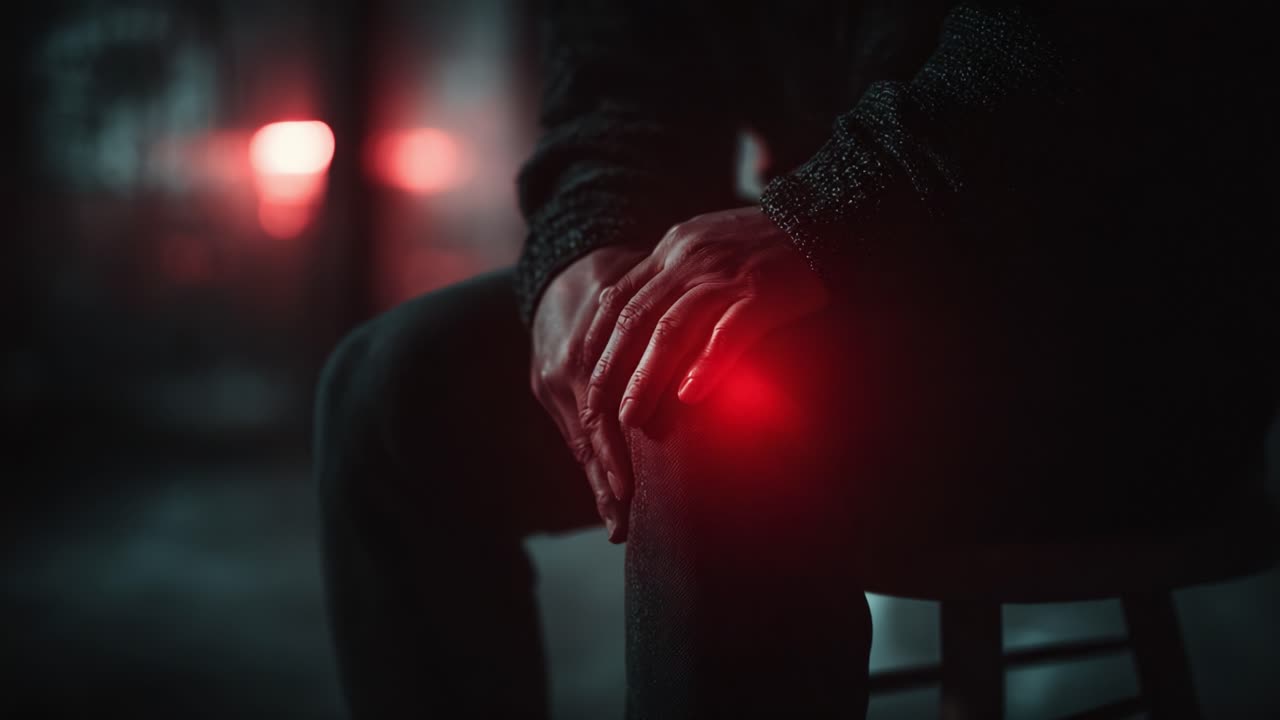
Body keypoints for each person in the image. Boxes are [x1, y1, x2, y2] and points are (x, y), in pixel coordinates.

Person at [315, 2, 1278, 717]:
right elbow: (619, 88)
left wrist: (826, 220)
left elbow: (1097, 50)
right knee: (392, 391)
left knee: (720, 402)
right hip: (853, 290)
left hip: (1113, 333)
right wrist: (581, 255)